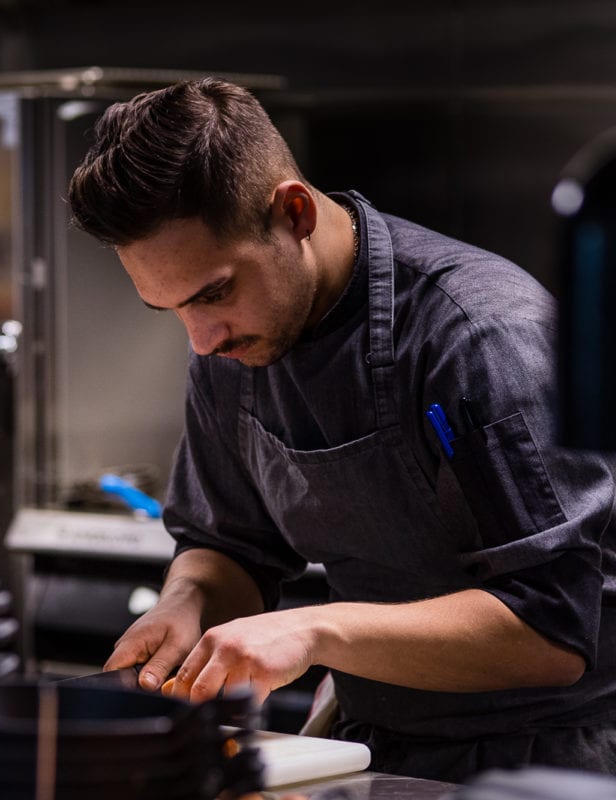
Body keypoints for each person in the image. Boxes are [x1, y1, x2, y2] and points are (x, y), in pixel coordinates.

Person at [67, 78, 616, 783]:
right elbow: (228, 544)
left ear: (293, 211)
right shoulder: (232, 347)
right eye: (168, 308)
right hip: (371, 751)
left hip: (553, 761)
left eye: (214, 292)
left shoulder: (478, 336)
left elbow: (552, 631)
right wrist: (188, 605)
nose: (201, 339)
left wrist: (314, 631)